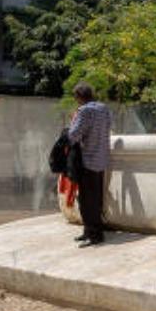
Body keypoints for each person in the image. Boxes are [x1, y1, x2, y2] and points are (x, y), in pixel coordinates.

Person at [67, 82, 112, 245]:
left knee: (87, 200)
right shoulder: (104, 108)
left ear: (79, 97)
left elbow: (73, 135)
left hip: (87, 160)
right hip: (101, 159)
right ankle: (89, 231)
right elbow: (108, 127)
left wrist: (72, 122)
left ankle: (94, 235)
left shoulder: (84, 111)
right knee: (96, 198)